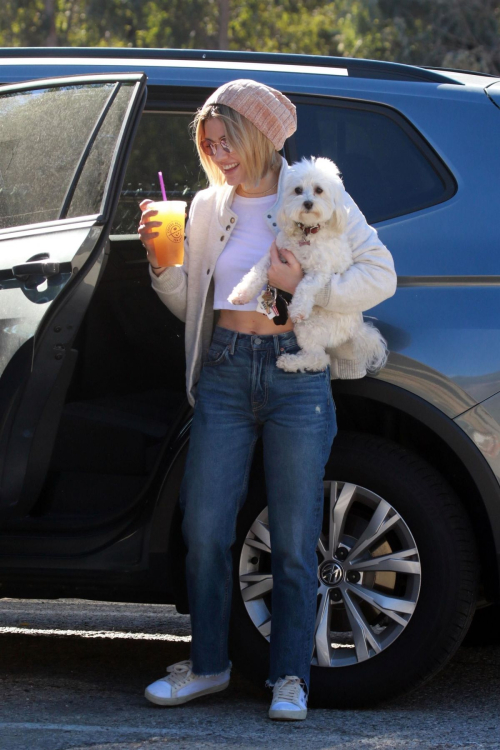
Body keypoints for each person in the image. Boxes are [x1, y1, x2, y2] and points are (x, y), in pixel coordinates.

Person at [137, 79, 397, 721]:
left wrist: (305, 279)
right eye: (209, 144)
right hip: (225, 369)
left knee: (293, 533)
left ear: (259, 134)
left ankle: (289, 678)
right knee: (204, 528)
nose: (219, 155)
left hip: (296, 376)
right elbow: (195, 305)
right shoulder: (204, 205)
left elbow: (382, 275)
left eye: (227, 141)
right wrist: (163, 265)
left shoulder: (314, 194)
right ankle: (207, 666)